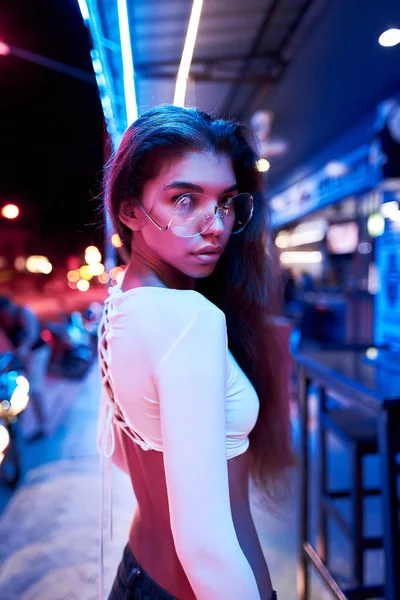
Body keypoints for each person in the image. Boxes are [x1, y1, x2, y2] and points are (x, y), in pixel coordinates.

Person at [97, 105, 295, 600]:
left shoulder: (122, 301)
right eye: (184, 200)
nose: (216, 226)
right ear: (128, 211)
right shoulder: (189, 319)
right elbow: (206, 548)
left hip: (137, 573)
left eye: (225, 203)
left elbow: (127, 452)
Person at [0, 296, 51, 439]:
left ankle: (43, 425)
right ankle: (17, 430)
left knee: (35, 388)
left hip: (37, 353)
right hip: (21, 357)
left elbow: (32, 335)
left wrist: (22, 349)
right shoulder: (3, 321)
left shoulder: (23, 313)